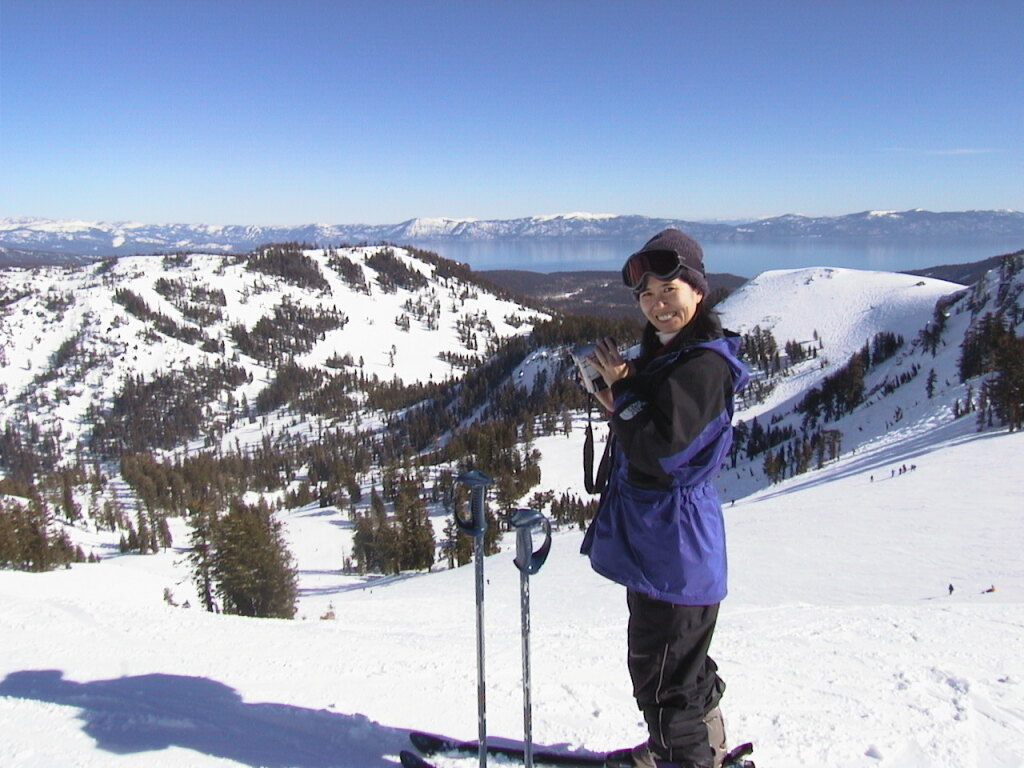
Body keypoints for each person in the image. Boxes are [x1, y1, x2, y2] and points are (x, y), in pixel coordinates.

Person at [580, 229, 749, 768]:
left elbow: (660, 453)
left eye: (669, 290)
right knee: (681, 670)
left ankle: (685, 758)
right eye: (647, 295)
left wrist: (624, 393)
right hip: (667, 545)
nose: (657, 304)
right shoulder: (669, 357)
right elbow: (650, 430)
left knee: (662, 680)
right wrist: (618, 393)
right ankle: (695, 751)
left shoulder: (703, 366)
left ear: (697, 293)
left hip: (674, 548)